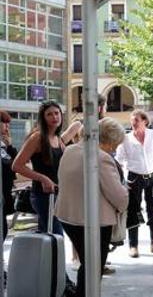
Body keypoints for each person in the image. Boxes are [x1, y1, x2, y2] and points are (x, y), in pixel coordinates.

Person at [56, 117, 129, 297]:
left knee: (87, 265)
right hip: (93, 221)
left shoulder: (70, 150)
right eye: (115, 144)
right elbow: (118, 196)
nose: (115, 148)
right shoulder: (101, 158)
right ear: (108, 140)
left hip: (68, 216)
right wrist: (125, 193)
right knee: (93, 269)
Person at [12, 100, 76, 295]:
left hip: (60, 196)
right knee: (55, 237)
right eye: (50, 114)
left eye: (57, 113)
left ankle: (54, 279)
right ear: (43, 117)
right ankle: (61, 282)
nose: (55, 117)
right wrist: (42, 178)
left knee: (53, 238)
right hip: (43, 197)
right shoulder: (37, 138)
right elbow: (17, 165)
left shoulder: (60, 139)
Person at [116, 109, 153, 258]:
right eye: (132, 120)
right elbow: (119, 159)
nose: (133, 123)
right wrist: (124, 180)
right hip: (134, 177)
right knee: (133, 211)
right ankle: (133, 246)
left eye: (136, 120)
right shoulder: (126, 138)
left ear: (145, 121)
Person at [0, 110, 17, 240]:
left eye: (8, 123)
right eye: (4, 122)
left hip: (4, 193)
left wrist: (10, 146)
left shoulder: (4, 145)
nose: (7, 126)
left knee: (3, 230)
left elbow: (15, 165)